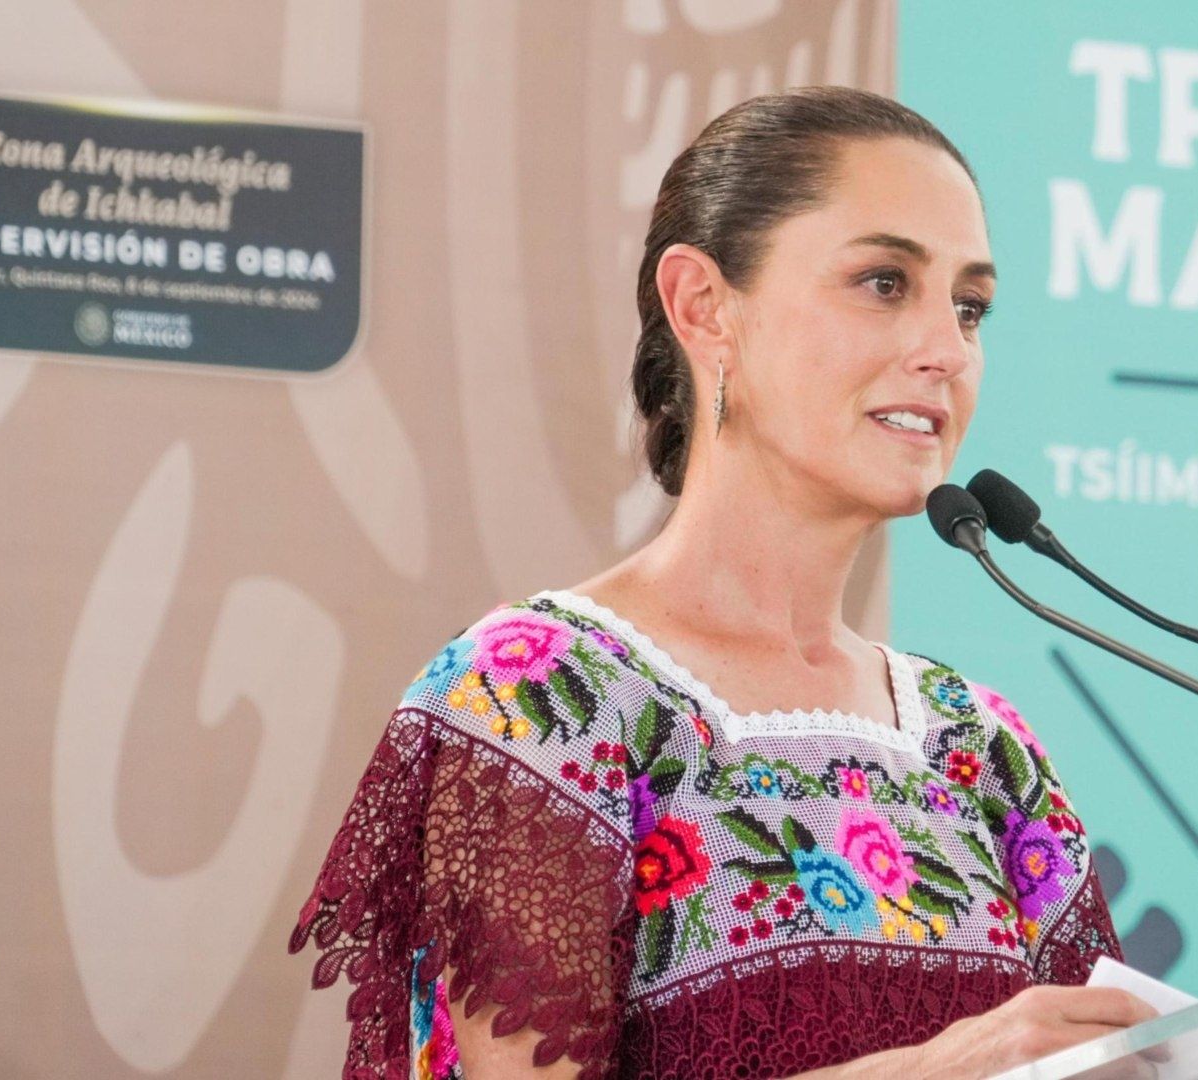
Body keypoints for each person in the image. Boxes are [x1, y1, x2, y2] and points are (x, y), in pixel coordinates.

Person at [289, 86, 1151, 1079]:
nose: (946, 352)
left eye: (971, 307)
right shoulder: (541, 695)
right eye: (882, 282)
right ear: (703, 304)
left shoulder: (983, 746)